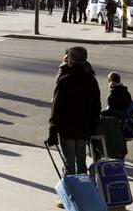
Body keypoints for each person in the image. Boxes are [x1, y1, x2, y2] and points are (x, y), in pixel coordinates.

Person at [47, 46, 101, 178]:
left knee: (69, 162)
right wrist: (93, 127)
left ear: (71, 60)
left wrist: (52, 129)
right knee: (81, 160)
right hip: (83, 129)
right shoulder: (91, 79)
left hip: (67, 129)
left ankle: (71, 192)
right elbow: (96, 106)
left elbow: (57, 107)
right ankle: (83, 189)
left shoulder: (66, 79)